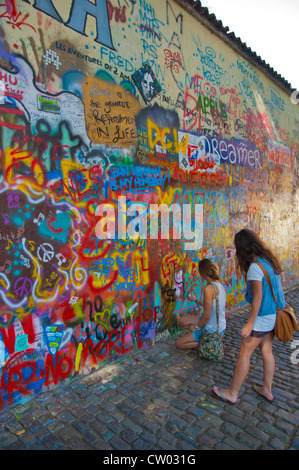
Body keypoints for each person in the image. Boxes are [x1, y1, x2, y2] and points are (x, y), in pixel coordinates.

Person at [212, 228, 286, 404]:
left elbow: (258, 298)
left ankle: (232, 392)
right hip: (273, 315)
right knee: (267, 351)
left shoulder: (255, 267)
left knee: (244, 353)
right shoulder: (269, 260)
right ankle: (267, 389)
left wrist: (250, 324)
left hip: (261, 319)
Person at [176, 259, 226, 350]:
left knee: (179, 343)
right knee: (182, 321)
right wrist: (195, 300)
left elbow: (207, 314)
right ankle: (209, 340)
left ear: (202, 273)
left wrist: (196, 327)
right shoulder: (219, 284)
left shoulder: (208, 288)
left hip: (212, 330)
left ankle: (208, 343)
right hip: (220, 327)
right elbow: (210, 305)